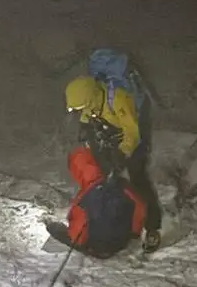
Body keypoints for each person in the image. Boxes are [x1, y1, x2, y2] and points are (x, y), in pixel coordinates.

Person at [63, 51, 162, 252]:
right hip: (111, 128)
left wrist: (123, 154)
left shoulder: (118, 99)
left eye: (81, 107)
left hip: (132, 130)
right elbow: (87, 119)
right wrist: (87, 132)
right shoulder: (90, 100)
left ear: (90, 99)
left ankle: (152, 227)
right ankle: (109, 218)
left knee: (137, 174)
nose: (80, 110)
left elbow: (132, 133)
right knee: (104, 174)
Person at [46, 142, 147, 257]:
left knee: (57, 229)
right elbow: (139, 208)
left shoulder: (86, 196)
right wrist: (134, 232)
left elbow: (78, 232)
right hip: (122, 242)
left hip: (98, 247)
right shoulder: (121, 184)